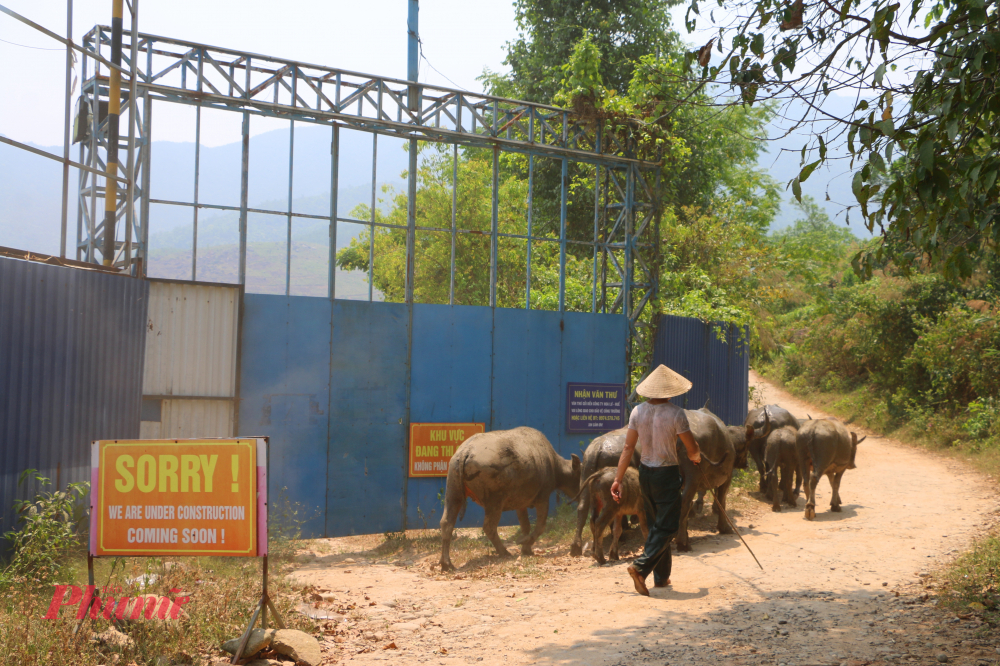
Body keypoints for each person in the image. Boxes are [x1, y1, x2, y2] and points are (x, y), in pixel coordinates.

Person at [610, 364, 701, 596]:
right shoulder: (676, 414)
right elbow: (692, 448)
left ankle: (661, 578)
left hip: (645, 474)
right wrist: (696, 456)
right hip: (666, 474)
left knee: (655, 526)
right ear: (670, 391)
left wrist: (617, 479)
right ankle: (640, 568)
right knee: (668, 526)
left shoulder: (637, 412)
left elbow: (628, 447)